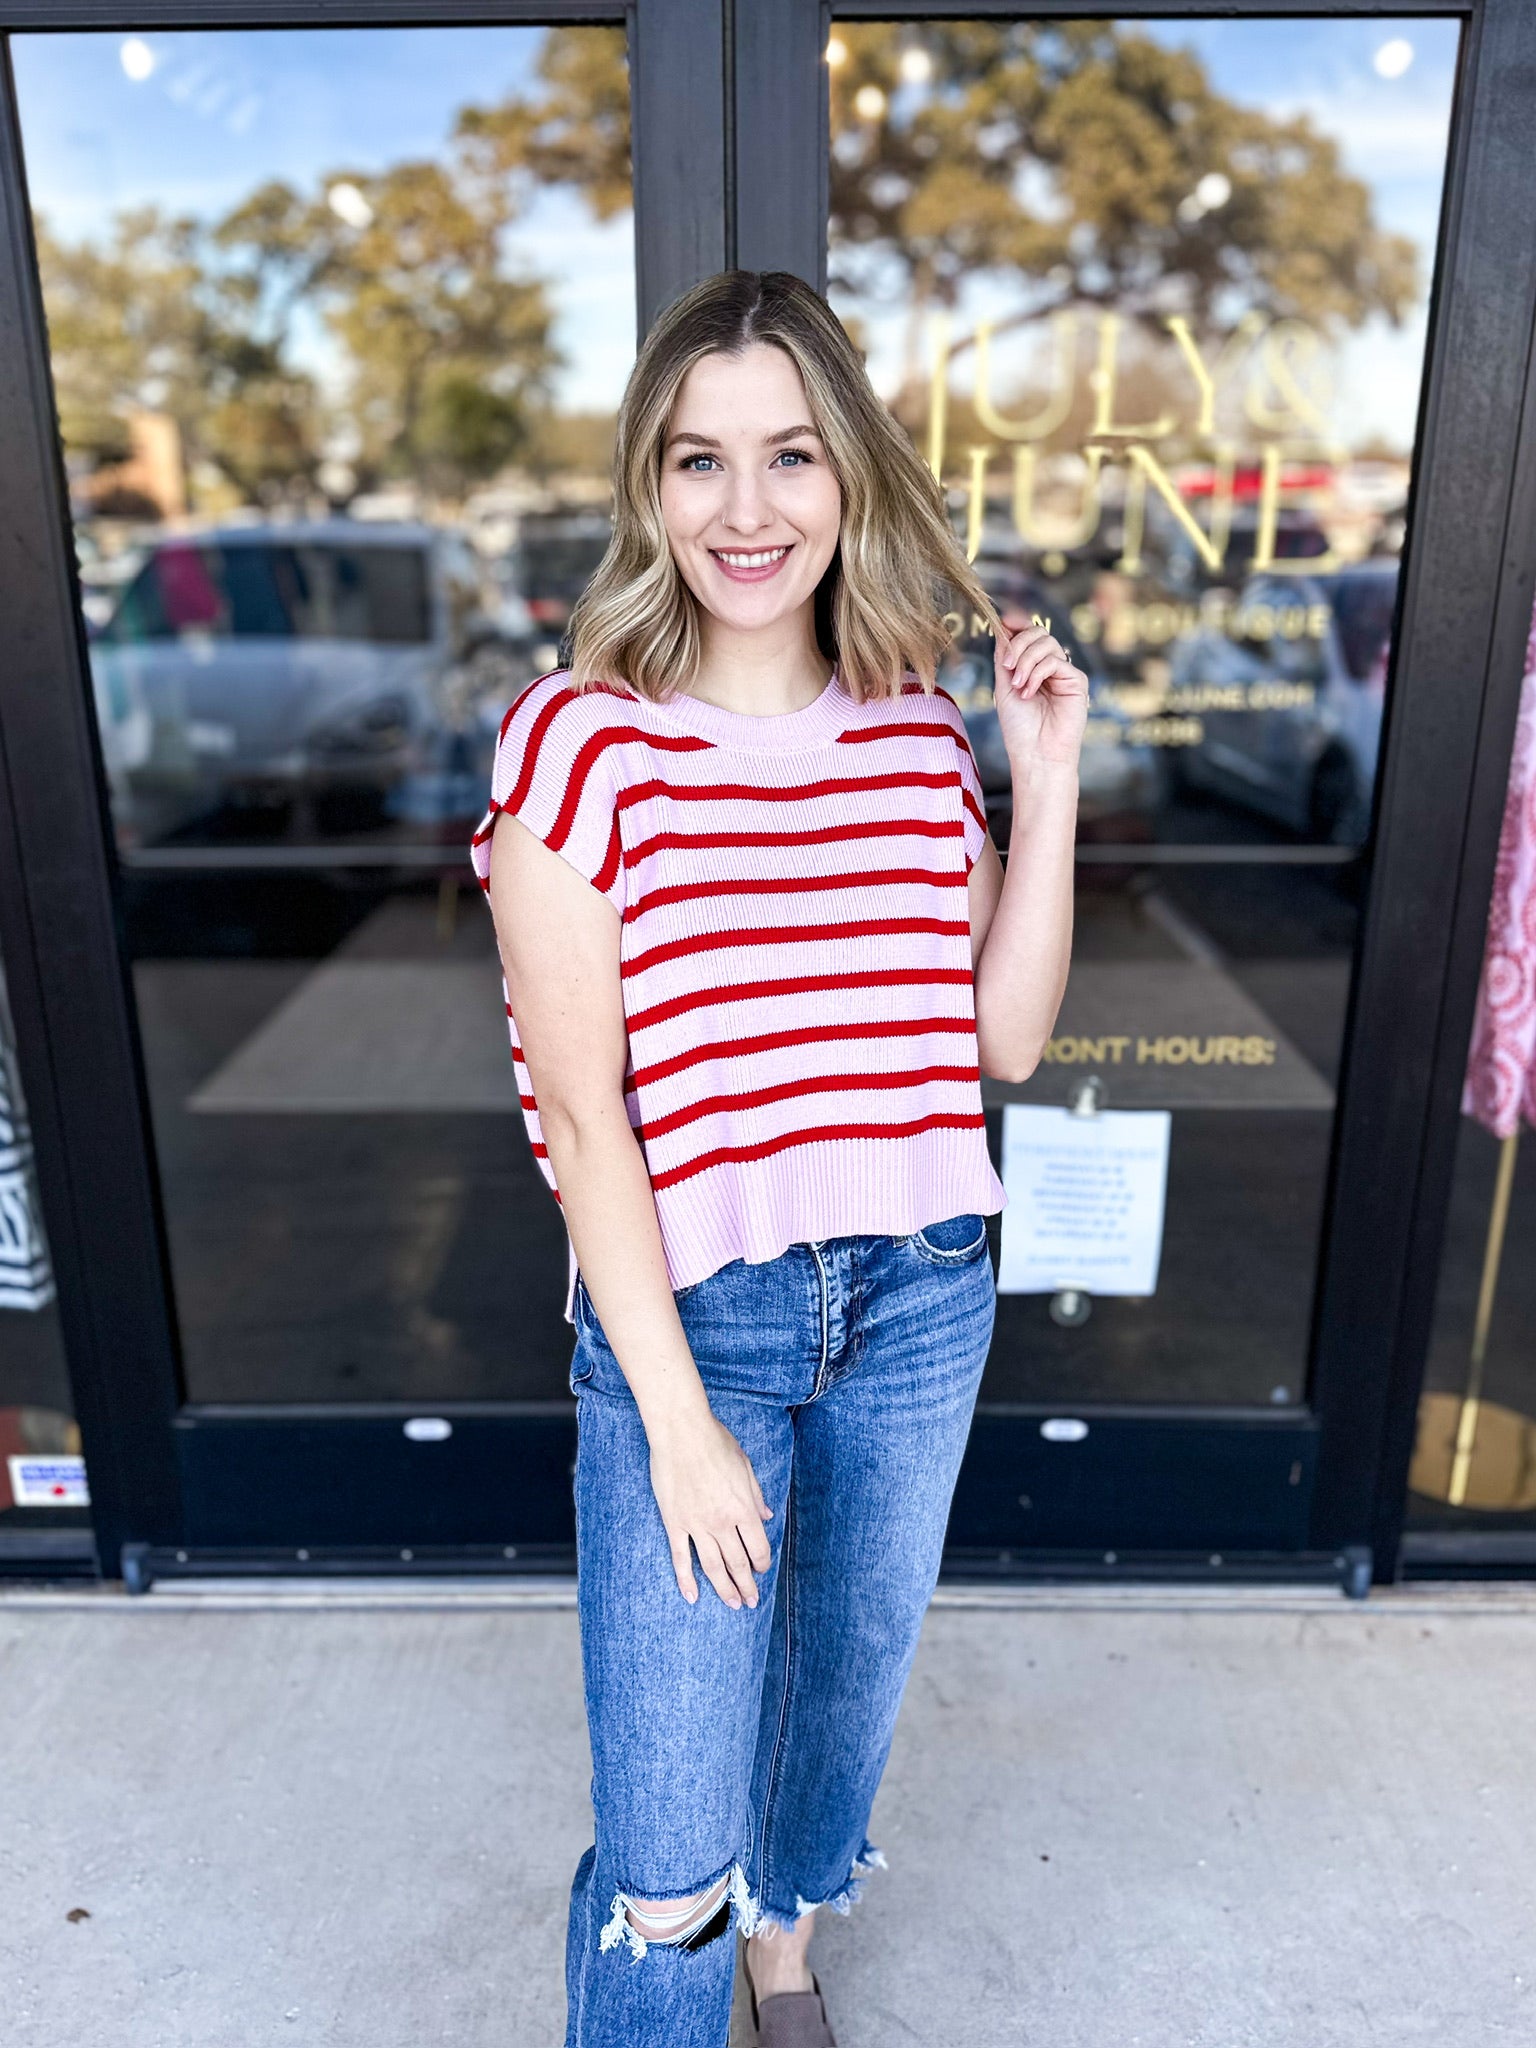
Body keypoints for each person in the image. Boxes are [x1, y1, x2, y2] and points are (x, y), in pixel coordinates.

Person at [472, 270, 1085, 2048]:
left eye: (792, 458)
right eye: (699, 462)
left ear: (853, 476)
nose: (748, 511)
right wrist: (675, 1424)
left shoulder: (909, 732)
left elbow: (1003, 1042)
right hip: (695, 1325)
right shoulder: (576, 741)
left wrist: (1040, 787)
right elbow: (586, 1121)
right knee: (664, 1853)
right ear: (649, 492)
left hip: (919, 1303)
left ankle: (790, 1947)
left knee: (836, 1720)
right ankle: (698, 1948)